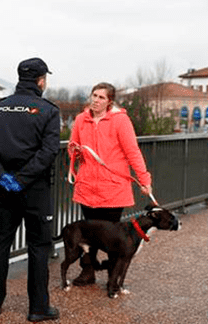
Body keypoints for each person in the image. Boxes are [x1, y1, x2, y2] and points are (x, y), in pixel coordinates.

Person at [0, 57, 60, 322]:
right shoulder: (48, 111)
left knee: (0, 243)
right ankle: (37, 309)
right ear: (41, 80)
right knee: (38, 246)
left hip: (3, 189)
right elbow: (48, 152)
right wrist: (23, 179)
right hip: (34, 190)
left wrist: (3, 177)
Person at [67, 82, 152, 286]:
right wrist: (75, 152)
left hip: (113, 189)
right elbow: (72, 147)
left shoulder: (120, 121)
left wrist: (144, 179)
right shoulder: (81, 120)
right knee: (88, 234)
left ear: (109, 101)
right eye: (94, 95)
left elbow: (133, 152)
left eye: (101, 97)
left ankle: (113, 276)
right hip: (87, 187)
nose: (95, 100)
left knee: (112, 236)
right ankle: (87, 272)